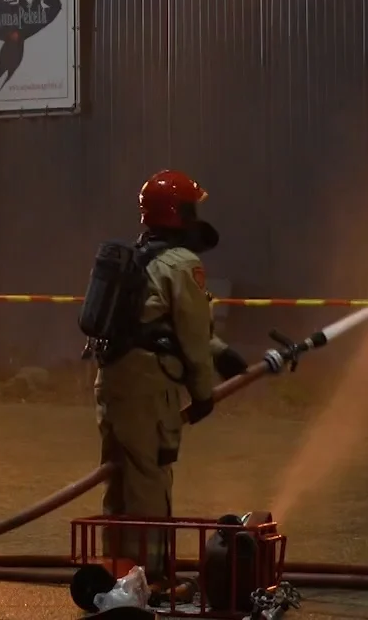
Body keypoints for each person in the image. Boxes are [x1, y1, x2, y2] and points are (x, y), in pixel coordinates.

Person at [92, 170, 248, 597]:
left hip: (113, 382)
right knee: (149, 482)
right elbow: (191, 335)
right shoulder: (182, 263)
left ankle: (119, 571)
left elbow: (157, 322)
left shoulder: (139, 256)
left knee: (120, 481)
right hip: (149, 388)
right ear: (180, 213)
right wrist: (202, 392)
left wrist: (221, 354)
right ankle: (152, 580)